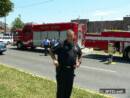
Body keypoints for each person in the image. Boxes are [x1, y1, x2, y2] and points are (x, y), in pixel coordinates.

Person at [49, 30, 82, 98]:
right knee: (61, 91)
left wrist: (78, 62)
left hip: (71, 72)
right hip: (61, 71)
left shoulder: (75, 45)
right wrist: (55, 60)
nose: (70, 37)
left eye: (72, 36)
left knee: (68, 90)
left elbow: (80, 54)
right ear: (67, 36)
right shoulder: (61, 44)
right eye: (69, 36)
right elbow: (51, 51)